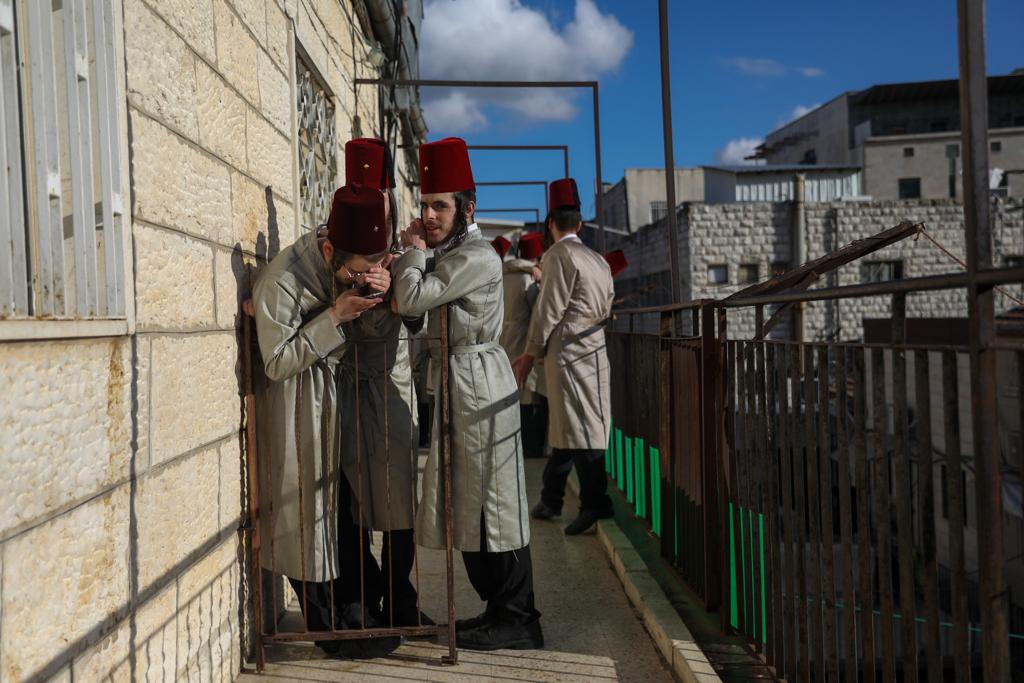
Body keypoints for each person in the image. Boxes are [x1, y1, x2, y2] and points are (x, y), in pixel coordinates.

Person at [392, 137, 543, 651]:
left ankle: (520, 618)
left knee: (493, 505)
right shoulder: (452, 253)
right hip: (462, 384)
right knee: (470, 502)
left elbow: (411, 295)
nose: (429, 215)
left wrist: (411, 252)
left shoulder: (476, 255)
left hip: (478, 385)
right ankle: (500, 608)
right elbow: (412, 310)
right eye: (425, 205)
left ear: (467, 209)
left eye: (440, 205)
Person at [251, 184, 401, 657]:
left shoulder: (357, 268)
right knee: (307, 514)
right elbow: (276, 361)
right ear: (329, 248)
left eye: (371, 270)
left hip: (342, 408)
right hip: (299, 409)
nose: (361, 280)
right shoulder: (283, 280)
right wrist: (334, 315)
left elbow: (373, 334)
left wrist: (379, 294)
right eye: (356, 272)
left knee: (346, 511)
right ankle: (329, 623)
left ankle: (359, 610)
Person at [336, 139, 430, 628]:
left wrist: (399, 284)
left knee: (396, 502)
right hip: (346, 385)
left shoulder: (405, 255)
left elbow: (421, 320)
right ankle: (363, 595)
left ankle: (397, 599)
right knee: (349, 500)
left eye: (384, 195)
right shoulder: (338, 239)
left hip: (391, 386)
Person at [512, 178, 616, 536]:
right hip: (595, 343)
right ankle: (552, 498)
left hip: (570, 346)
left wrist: (529, 354)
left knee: (579, 427)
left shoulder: (558, 255)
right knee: (578, 424)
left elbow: (549, 308)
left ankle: (595, 502)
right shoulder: (596, 258)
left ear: (551, 224)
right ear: (581, 224)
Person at [501, 232, 548, 459]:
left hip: (503, 338)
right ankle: (529, 447)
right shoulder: (528, 279)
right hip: (523, 338)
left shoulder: (504, 275)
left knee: (507, 391)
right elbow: (537, 311)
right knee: (526, 393)